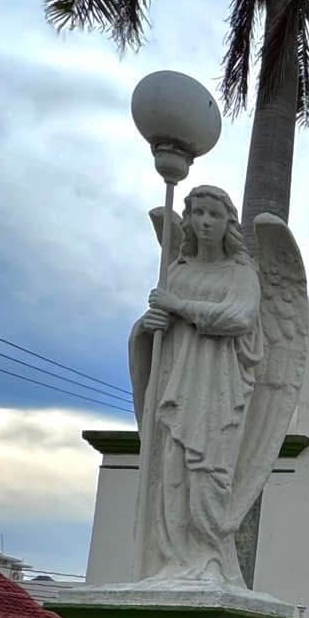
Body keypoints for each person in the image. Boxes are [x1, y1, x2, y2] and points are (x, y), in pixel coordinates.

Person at [131, 185, 264, 585]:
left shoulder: (242, 274)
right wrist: (145, 327)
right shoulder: (178, 272)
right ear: (187, 219)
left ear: (228, 224)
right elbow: (157, 328)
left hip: (218, 388)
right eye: (197, 213)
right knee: (172, 470)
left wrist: (178, 307)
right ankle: (171, 561)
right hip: (178, 383)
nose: (205, 222)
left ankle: (208, 558)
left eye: (214, 215)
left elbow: (239, 318)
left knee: (210, 470)